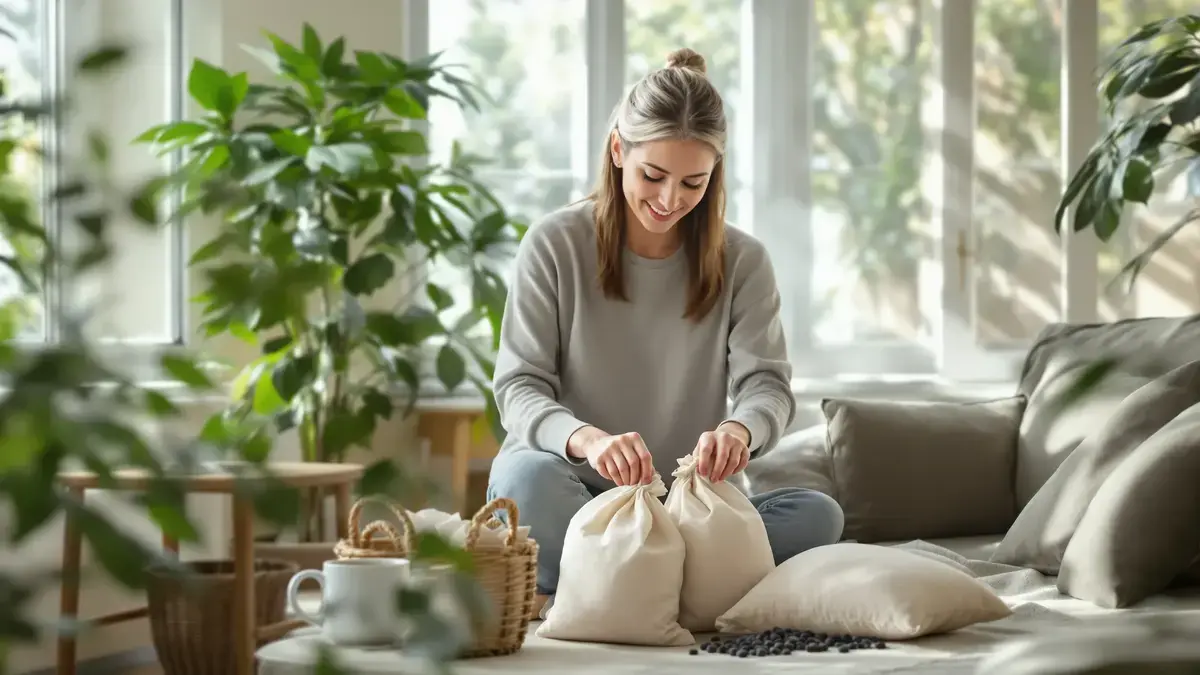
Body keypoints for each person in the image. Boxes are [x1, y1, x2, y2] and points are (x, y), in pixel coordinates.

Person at [486, 47, 844, 611]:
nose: (669, 200)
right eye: (652, 175)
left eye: (693, 183)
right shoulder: (554, 243)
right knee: (525, 483)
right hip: (574, 491)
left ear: (714, 174)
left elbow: (767, 388)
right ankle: (686, 585)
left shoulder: (744, 260)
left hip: (686, 506)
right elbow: (519, 387)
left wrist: (738, 431)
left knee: (818, 515)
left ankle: (615, 586)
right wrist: (589, 441)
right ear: (617, 151)